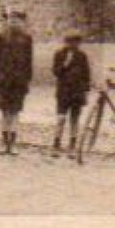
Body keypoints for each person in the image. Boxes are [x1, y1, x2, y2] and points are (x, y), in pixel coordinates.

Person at [0, 6, 34, 156]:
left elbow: (29, 61)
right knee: (4, 112)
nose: (14, 22)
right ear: (7, 21)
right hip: (4, 81)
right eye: (11, 19)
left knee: (15, 112)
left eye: (17, 20)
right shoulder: (0, 37)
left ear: (22, 22)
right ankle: (4, 143)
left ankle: (12, 145)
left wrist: (27, 80)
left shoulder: (27, 39)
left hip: (19, 81)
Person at [50, 28, 92, 156]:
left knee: (75, 119)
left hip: (77, 92)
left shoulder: (82, 56)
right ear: (66, 42)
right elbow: (56, 72)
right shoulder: (59, 54)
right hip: (63, 91)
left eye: (76, 42)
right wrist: (65, 64)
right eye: (70, 42)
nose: (73, 45)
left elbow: (86, 74)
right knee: (61, 118)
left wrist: (86, 90)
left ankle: (72, 146)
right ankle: (56, 144)